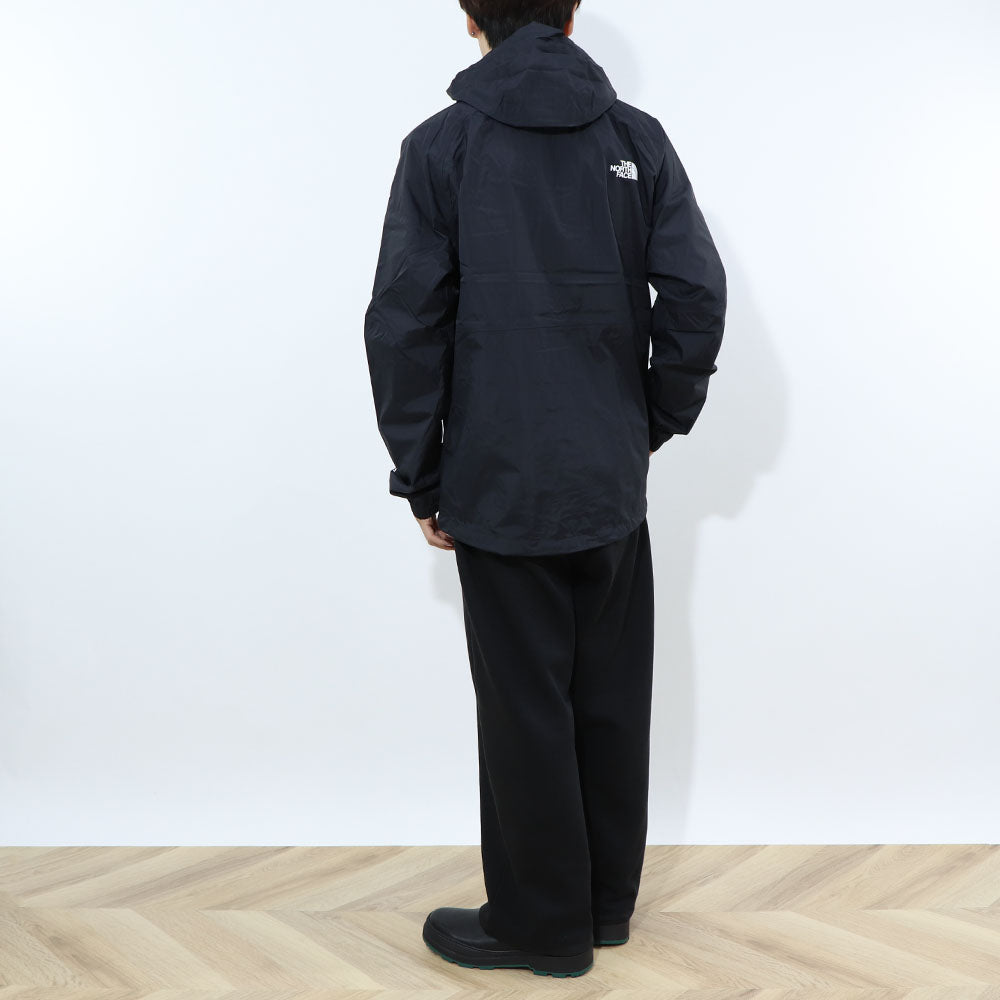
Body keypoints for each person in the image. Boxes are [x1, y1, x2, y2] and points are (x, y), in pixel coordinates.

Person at [363, 0, 727, 979]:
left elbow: (402, 322)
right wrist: (646, 421)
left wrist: (420, 471)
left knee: (526, 705)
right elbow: (696, 295)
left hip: (497, 477)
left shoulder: (441, 147)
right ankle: (602, 908)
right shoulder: (635, 139)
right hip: (606, 476)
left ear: (467, 17)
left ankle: (540, 927)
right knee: (610, 696)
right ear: (570, 17)